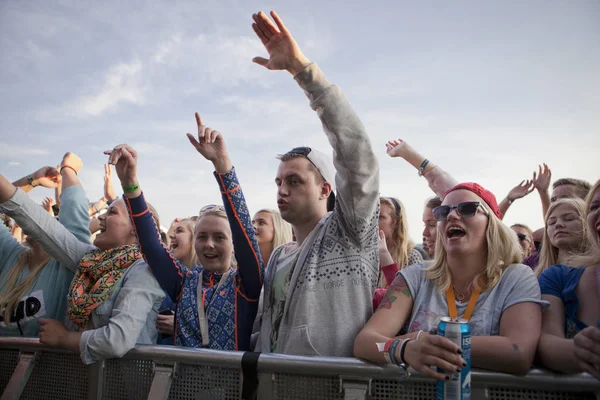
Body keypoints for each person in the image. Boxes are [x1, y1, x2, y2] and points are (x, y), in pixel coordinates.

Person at [250, 10, 379, 357]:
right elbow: (265, 326)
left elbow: (357, 155)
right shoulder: (278, 255)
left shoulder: (351, 232)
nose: (282, 190)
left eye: (294, 181)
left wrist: (301, 70)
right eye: (278, 182)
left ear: (326, 189)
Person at [354, 182, 546, 378]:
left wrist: (424, 341)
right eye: (443, 212)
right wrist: (404, 348)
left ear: (493, 225)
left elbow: (518, 353)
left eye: (467, 209)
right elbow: (365, 342)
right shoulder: (414, 277)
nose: (452, 215)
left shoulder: (516, 277)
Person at [117, 114, 264, 351]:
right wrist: (130, 184)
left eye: (220, 237)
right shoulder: (185, 283)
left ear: (234, 243)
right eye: (202, 236)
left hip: (231, 387)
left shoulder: (246, 284)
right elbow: (152, 247)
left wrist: (222, 164)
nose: (209, 245)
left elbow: (242, 227)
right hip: (180, 386)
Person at [0, 153, 165, 364]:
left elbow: (118, 339)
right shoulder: (89, 259)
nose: (100, 217)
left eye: (112, 213)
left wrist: (66, 338)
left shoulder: (143, 271)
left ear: (136, 230)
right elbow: (39, 223)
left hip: (121, 387)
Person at [0, 159, 88, 336]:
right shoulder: (11, 254)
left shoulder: (67, 264)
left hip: (44, 364)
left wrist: (69, 168)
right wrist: (33, 180)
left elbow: (75, 210)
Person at [537, 179, 600, 379]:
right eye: (595, 207)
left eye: (569, 218)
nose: (559, 225)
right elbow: (545, 341)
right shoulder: (554, 276)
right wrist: (580, 352)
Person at [535, 198, 590, 278]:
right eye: (551, 222)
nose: (558, 224)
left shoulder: (596, 270)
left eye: (569, 218)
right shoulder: (535, 277)